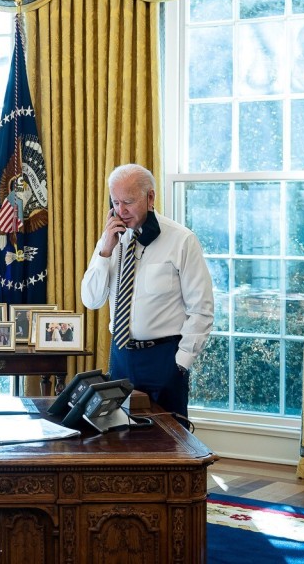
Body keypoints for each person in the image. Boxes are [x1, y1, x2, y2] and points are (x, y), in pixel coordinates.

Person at [80, 164, 214, 428]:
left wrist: (181, 362)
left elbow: (201, 308)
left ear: (150, 198)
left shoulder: (182, 240)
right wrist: (105, 251)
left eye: (128, 202)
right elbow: (91, 300)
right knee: (119, 436)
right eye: (115, 202)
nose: (120, 211)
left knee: (170, 442)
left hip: (164, 358)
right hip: (121, 357)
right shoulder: (111, 240)